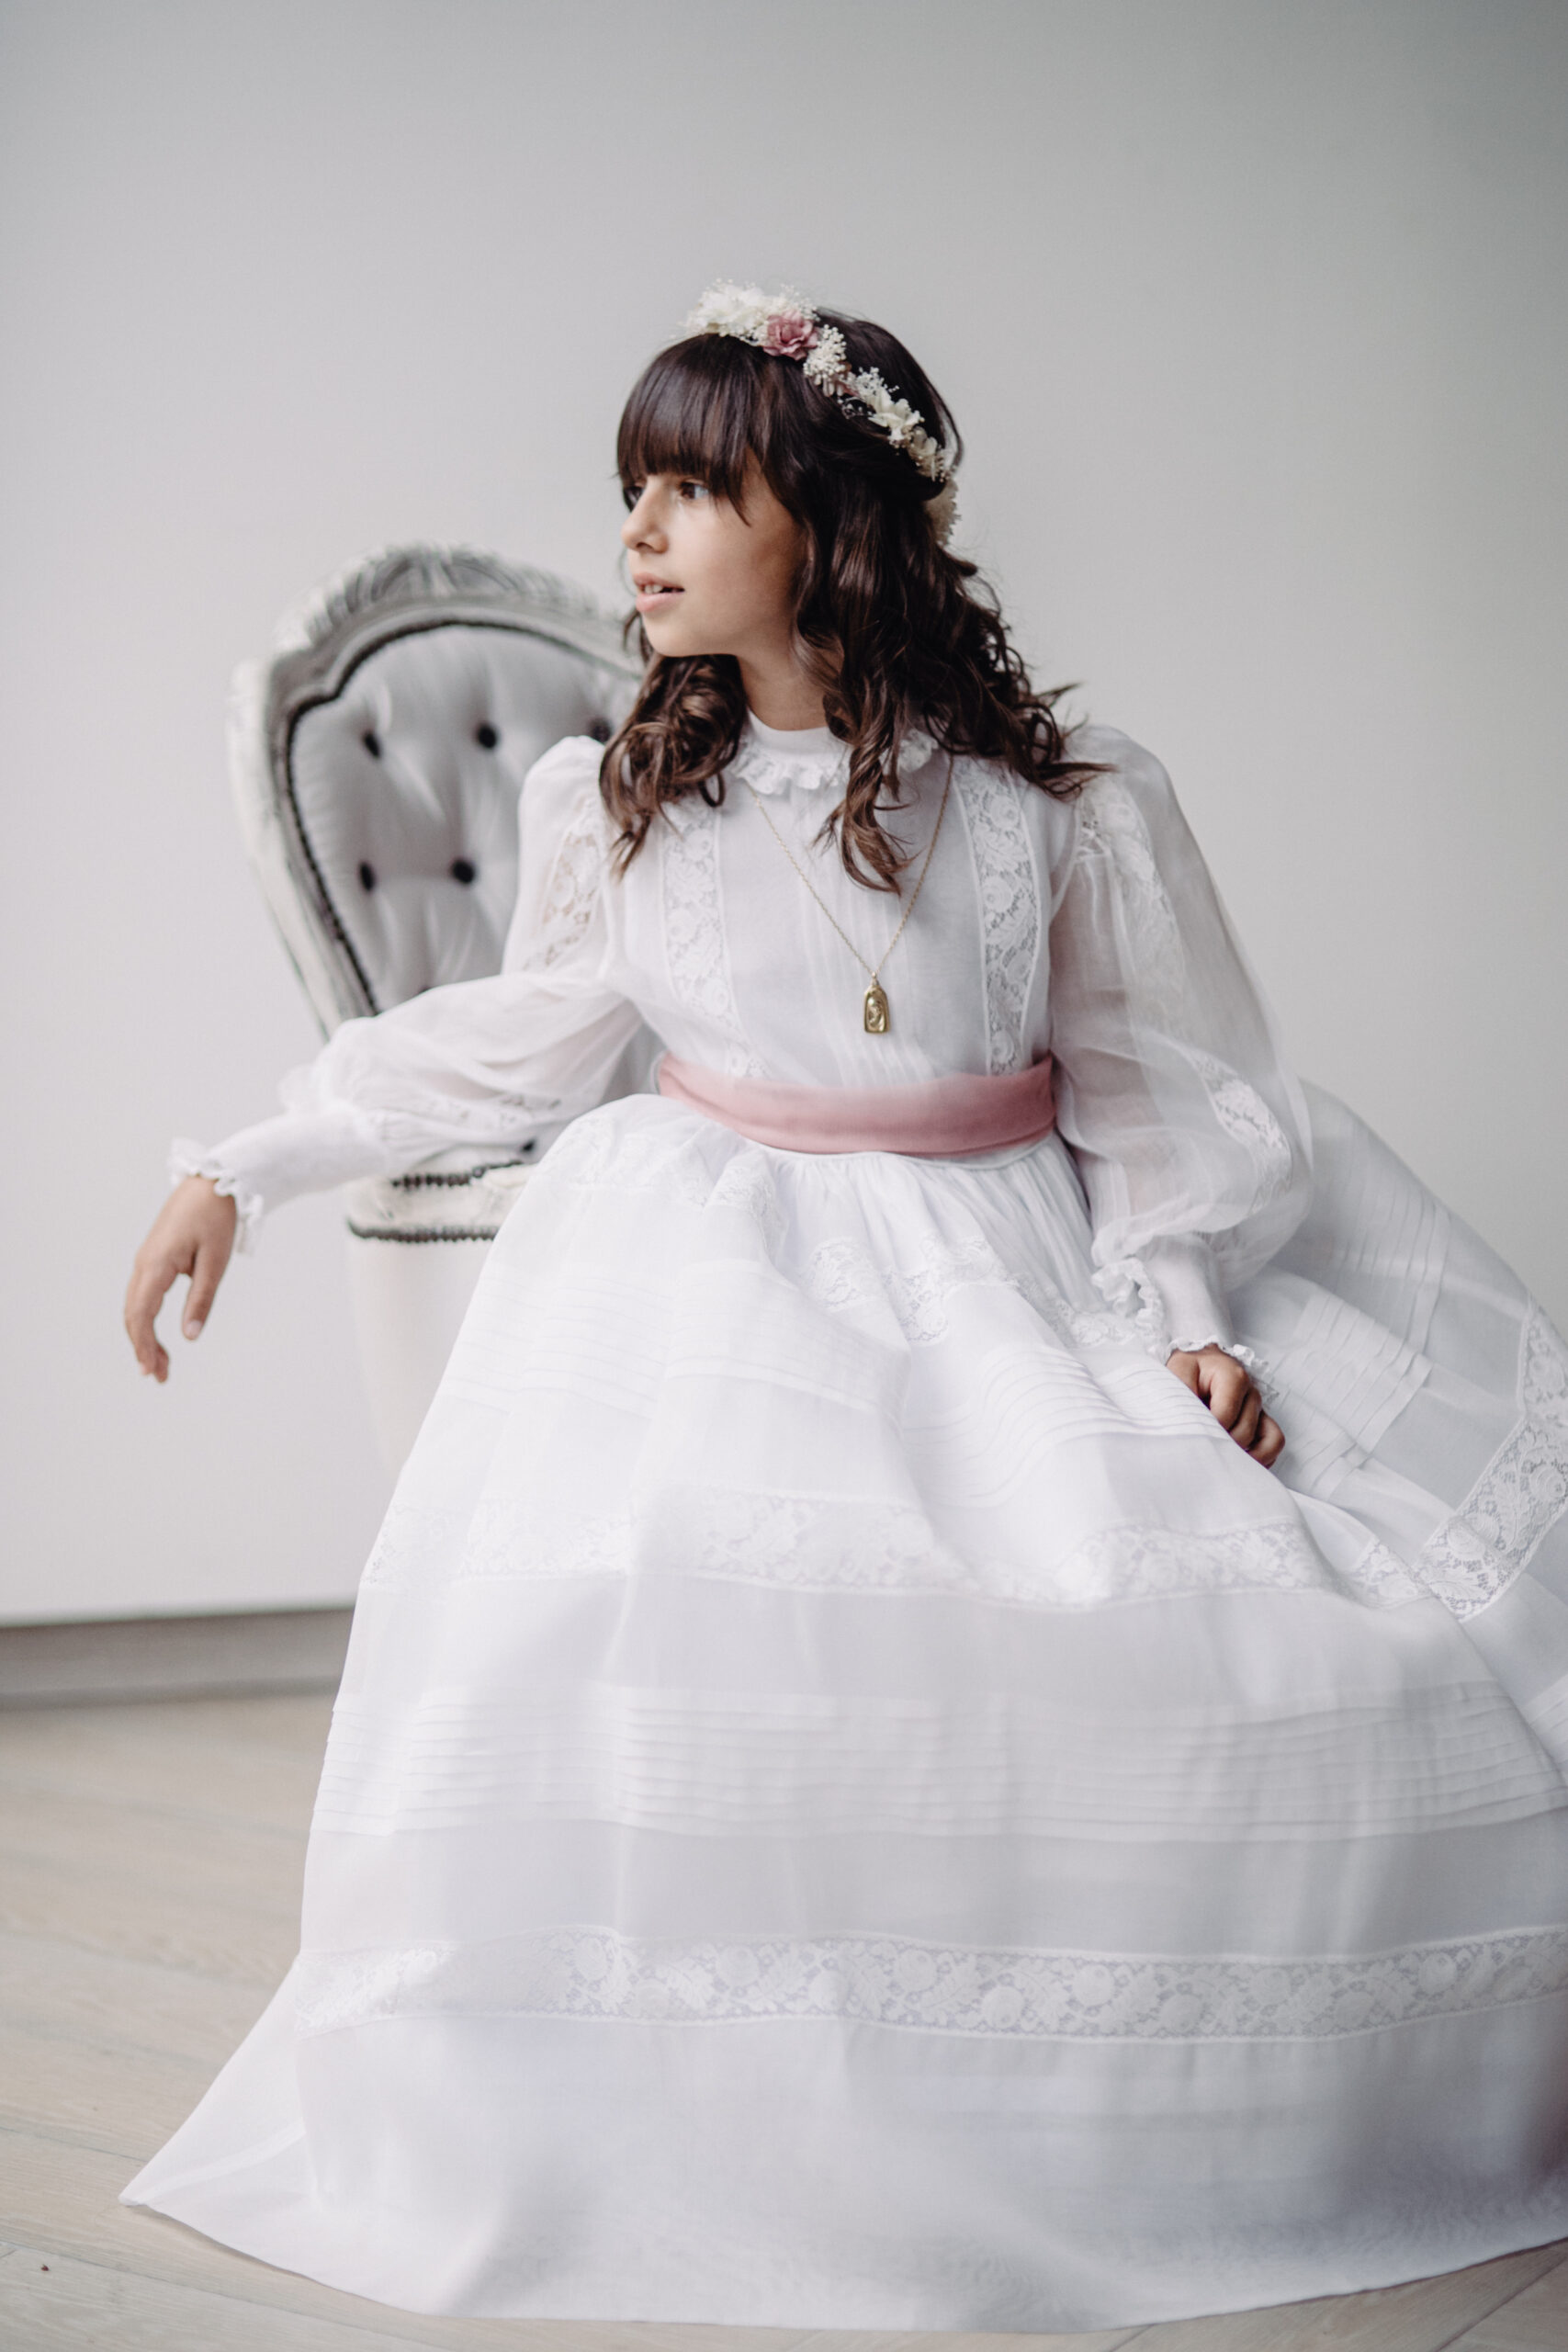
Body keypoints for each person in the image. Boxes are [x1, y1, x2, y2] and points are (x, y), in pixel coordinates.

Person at [119, 285, 1568, 2332]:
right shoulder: (623, 799)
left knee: (1238, 1616)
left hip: (1013, 1251)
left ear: (827, 518)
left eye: (689, 490)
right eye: (630, 489)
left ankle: (1112, 2105)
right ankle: (693, 2099)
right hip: (729, 1268)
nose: (635, 533)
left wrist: (1183, 1308)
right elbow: (512, 1044)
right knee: (677, 1602)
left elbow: (1145, 1084)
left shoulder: (1046, 799)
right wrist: (242, 1161)